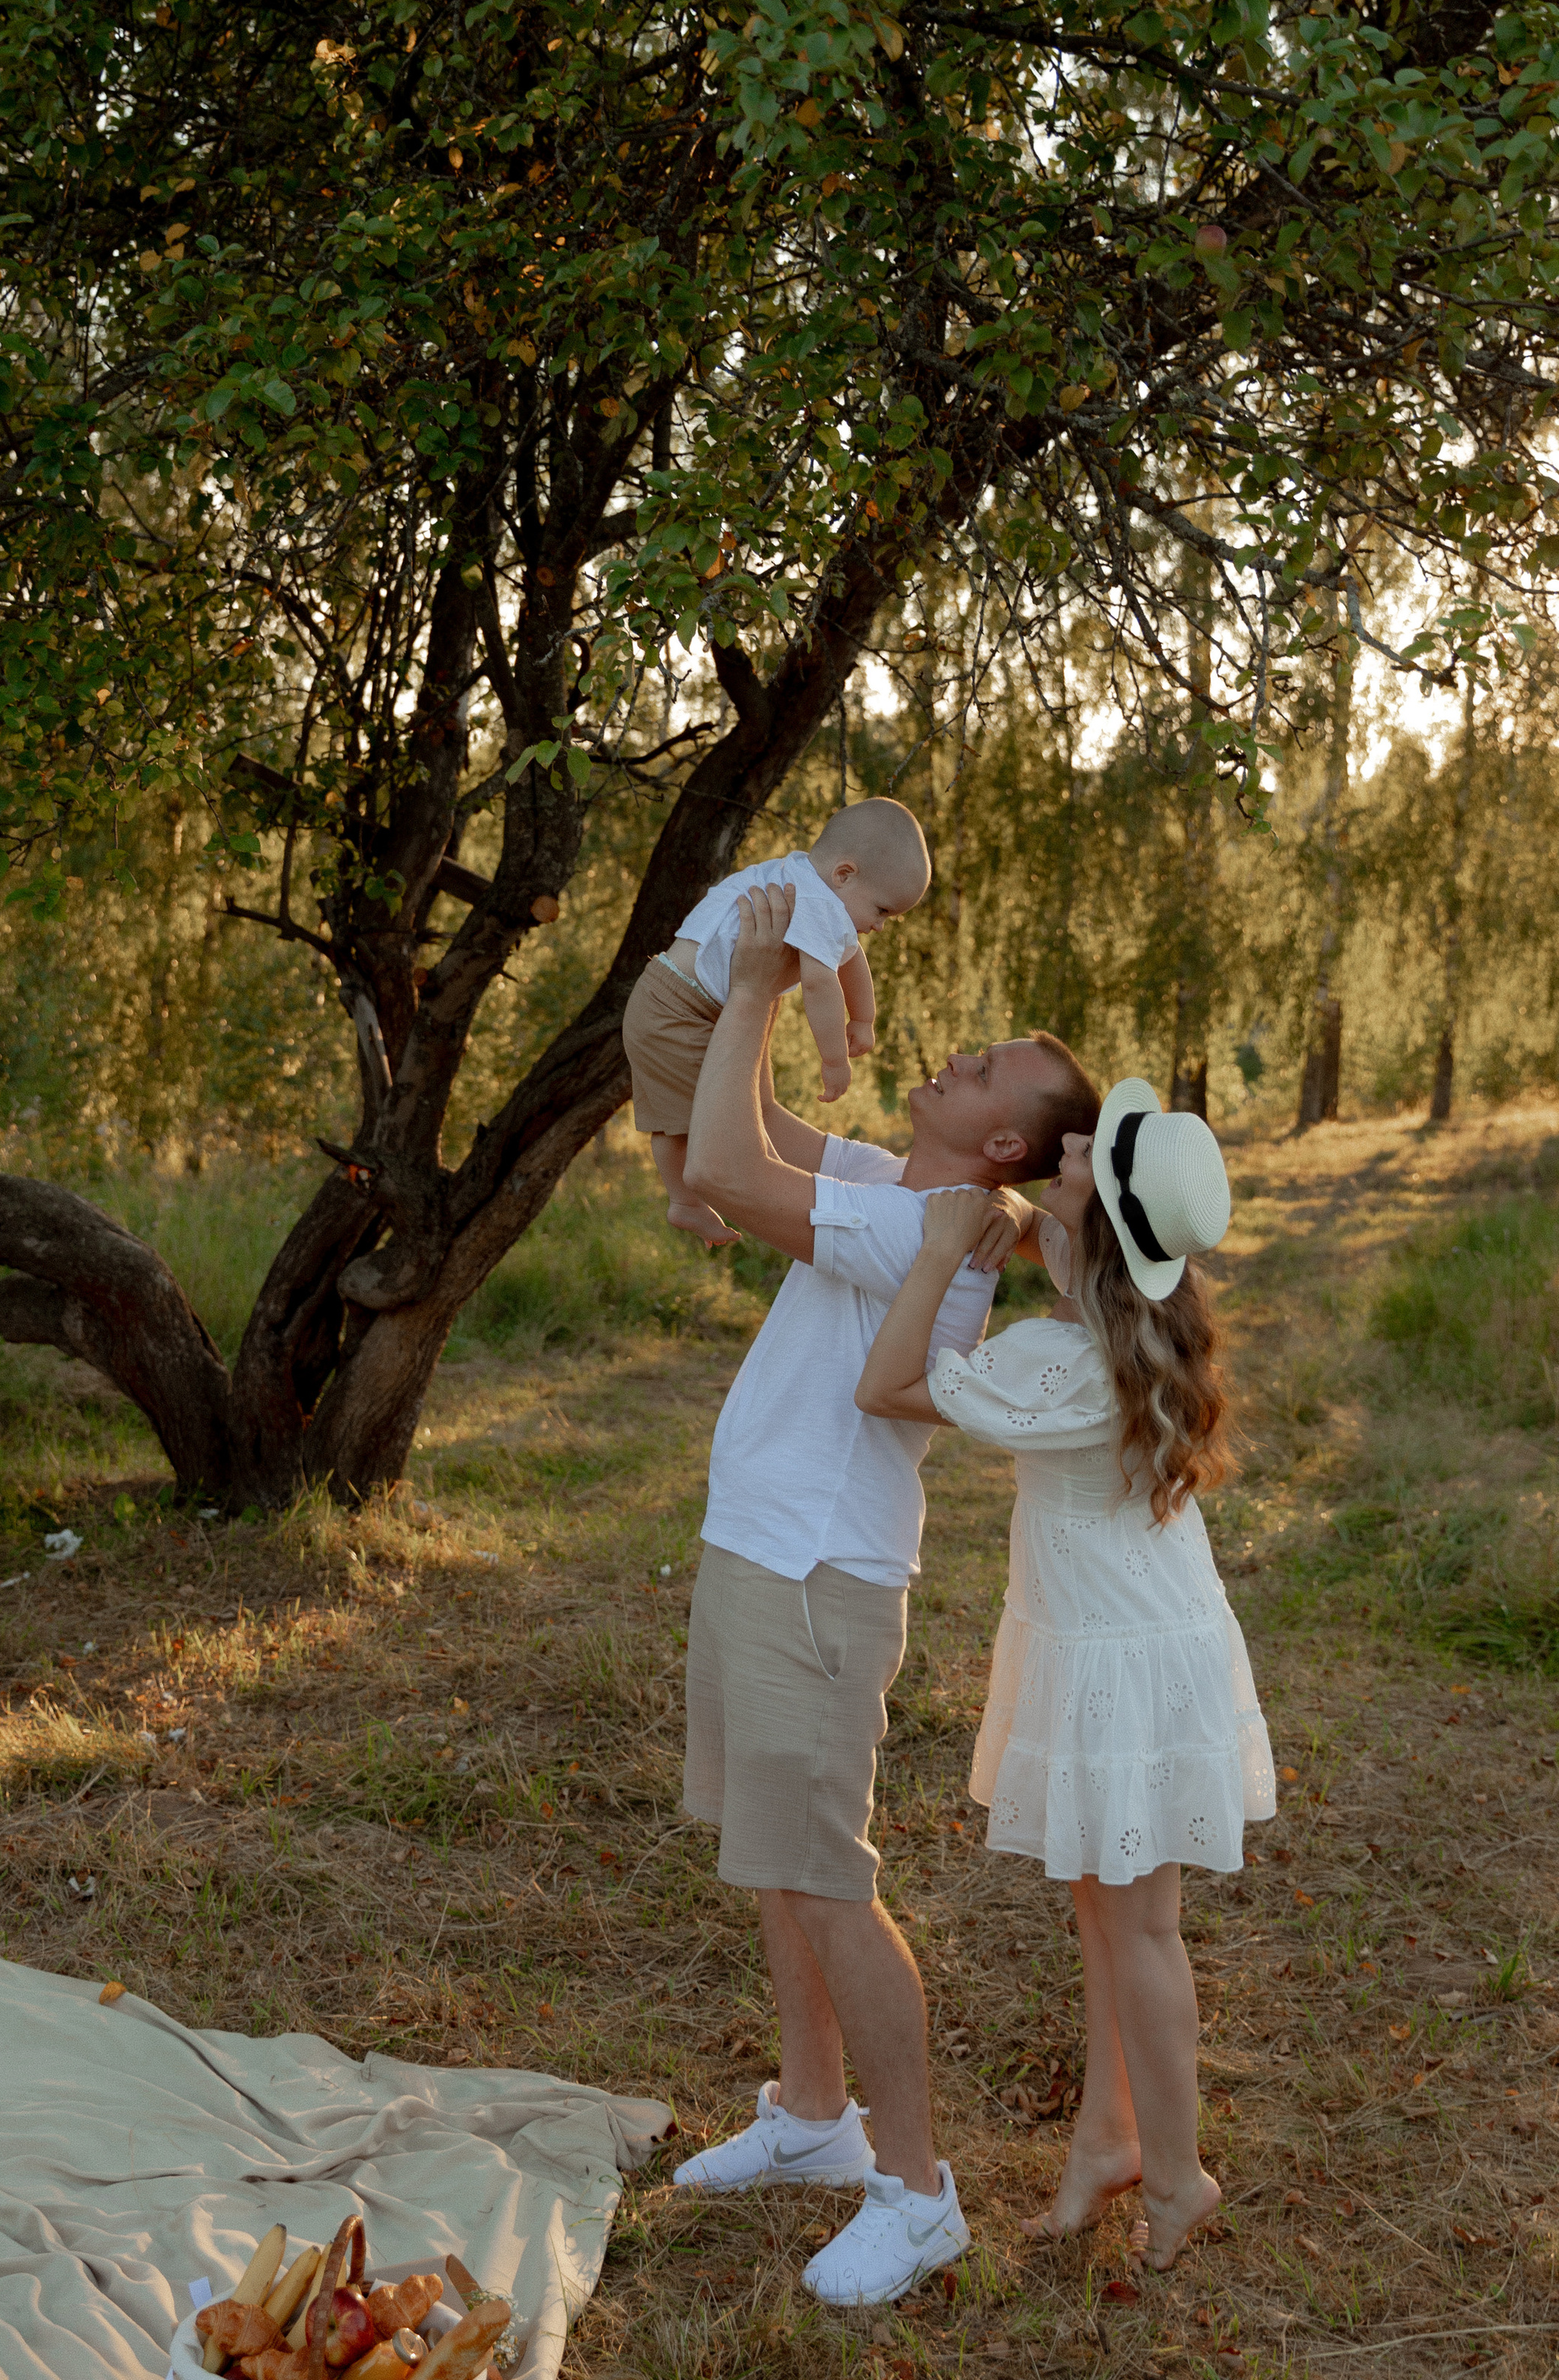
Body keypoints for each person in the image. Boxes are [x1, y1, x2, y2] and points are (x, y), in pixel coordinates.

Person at [669, 883, 1101, 2308]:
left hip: (817, 1581)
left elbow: (732, 1171)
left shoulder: (930, 1227)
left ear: (994, 1146)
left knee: (828, 1882)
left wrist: (756, 992)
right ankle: (812, 2120)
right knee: (774, 1861)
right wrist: (732, 1001)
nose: (959, 1053)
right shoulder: (891, 1189)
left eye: (983, 1072)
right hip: (762, 1553)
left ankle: (919, 2193)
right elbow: (764, 1130)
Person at [854, 1078, 1276, 2272]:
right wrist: (1037, 1216)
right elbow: (1064, 1240)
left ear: (1107, 1224)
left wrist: (939, 1256)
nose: (1069, 1146)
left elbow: (887, 1388)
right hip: (1138, 1629)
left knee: (1138, 1928)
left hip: (1121, 1656)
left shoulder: (1063, 1360)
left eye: (1089, 1155)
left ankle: (1182, 2176)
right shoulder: (1126, 1318)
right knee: (1105, 1912)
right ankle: (1108, 2138)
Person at [623, 799, 931, 1243]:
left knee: (676, 1116)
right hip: (681, 1010)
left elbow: (849, 956)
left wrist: (864, 1018)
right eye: (882, 911)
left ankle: (684, 1202)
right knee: (721, 1116)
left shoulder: (806, 880)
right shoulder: (817, 899)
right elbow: (820, 985)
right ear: (845, 874)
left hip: (677, 1001)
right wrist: (834, 1060)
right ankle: (710, 1194)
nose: (881, 926)